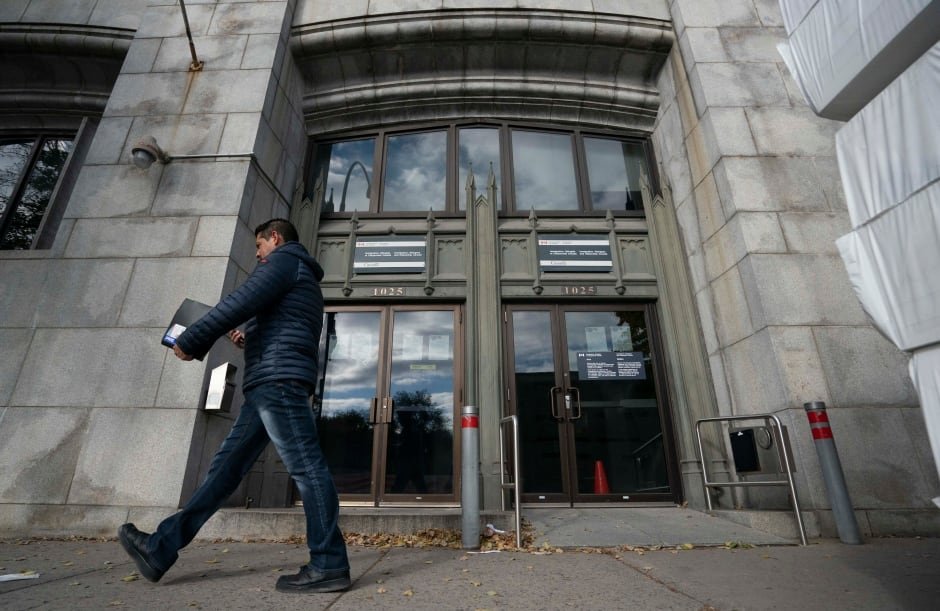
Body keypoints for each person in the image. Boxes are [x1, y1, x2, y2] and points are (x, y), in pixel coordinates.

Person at [117, 218, 350, 593]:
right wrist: (249, 335)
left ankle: (329, 564)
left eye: (259, 245)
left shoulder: (286, 261)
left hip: (277, 383)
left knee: (307, 470)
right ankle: (160, 549)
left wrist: (192, 339)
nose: (257, 255)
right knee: (223, 473)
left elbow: (238, 301)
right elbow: (284, 323)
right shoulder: (296, 274)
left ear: (275, 238)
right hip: (268, 384)